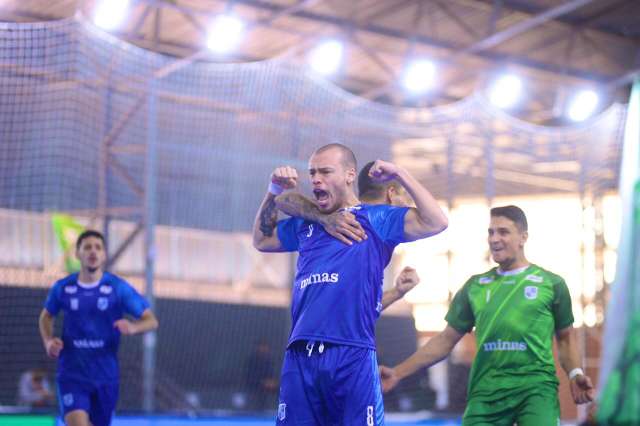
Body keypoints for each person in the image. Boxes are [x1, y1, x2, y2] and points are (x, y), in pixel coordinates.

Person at [253, 143, 447, 424]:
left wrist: (401, 172)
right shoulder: (307, 224)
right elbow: (262, 239)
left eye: (326, 172)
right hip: (300, 355)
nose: (316, 179)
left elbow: (436, 221)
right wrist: (274, 190)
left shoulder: (376, 219)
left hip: (351, 355)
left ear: (349, 175)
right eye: (313, 173)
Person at [379, 205, 595, 425]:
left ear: (523, 237)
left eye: (503, 232)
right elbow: (445, 340)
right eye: (491, 232)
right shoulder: (475, 287)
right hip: (486, 393)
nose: (494, 239)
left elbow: (567, 338)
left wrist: (575, 373)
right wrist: (397, 373)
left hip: (535, 390)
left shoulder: (552, 284)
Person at [39, 230, 159, 426]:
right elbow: (46, 316)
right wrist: (48, 340)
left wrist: (133, 327)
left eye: (98, 247)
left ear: (104, 255)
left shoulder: (117, 288)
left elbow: (151, 320)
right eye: (87, 247)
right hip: (72, 374)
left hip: (105, 376)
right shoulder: (63, 288)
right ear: (78, 254)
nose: (93, 251)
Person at [244, 340, 278, 411]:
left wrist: (273, 382)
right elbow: (249, 377)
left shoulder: (271, 361)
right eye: (262, 347)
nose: (264, 349)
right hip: (255, 388)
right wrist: (263, 382)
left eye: (265, 347)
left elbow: (273, 375)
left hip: (270, 390)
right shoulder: (252, 361)